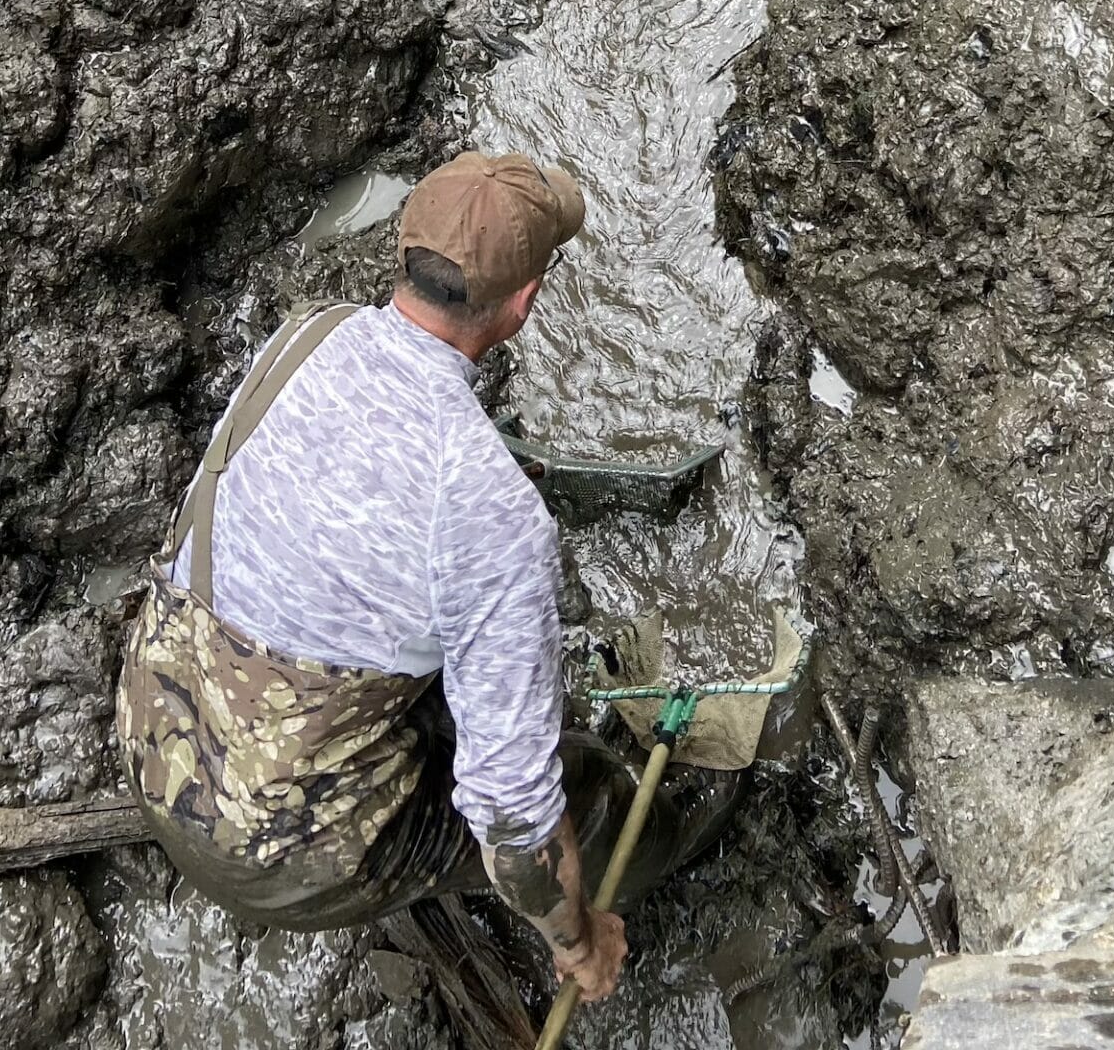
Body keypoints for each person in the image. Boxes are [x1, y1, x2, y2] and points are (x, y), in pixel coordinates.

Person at [116, 152, 732, 1001]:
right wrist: (581, 941)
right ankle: (678, 833)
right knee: (580, 794)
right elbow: (516, 831)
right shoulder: (492, 511)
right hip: (276, 857)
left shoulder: (307, 335)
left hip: (153, 733)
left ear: (403, 254)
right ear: (524, 303)